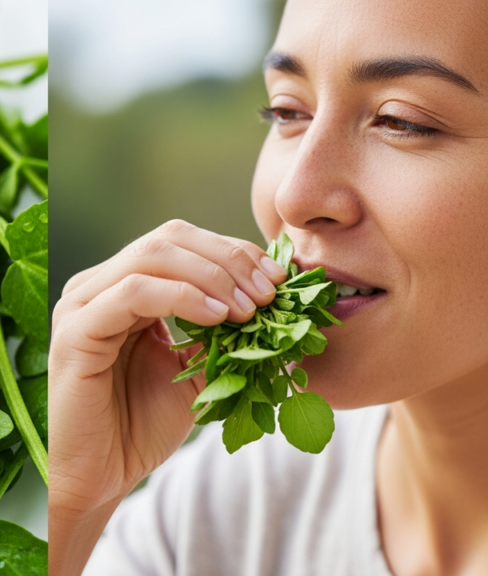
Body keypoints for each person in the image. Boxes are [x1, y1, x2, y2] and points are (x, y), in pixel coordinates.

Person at [48, 0, 488, 574]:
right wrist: (74, 503)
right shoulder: (217, 514)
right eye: (287, 111)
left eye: (401, 120)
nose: (293, 198)